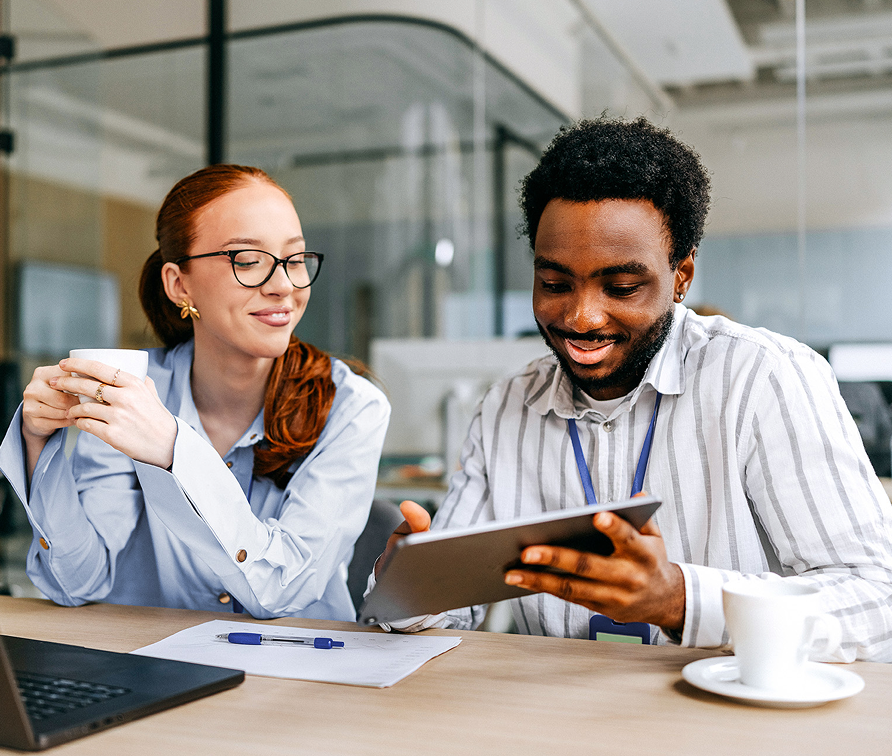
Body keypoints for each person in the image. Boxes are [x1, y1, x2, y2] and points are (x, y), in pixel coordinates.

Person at [374, 118, 892, 661]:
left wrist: (681, 600)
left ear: (682, 276)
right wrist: (411, 586)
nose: (581, 316)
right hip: (555, 721)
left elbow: (876, 598)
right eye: (554, 284)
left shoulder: (764, 378)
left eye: (621, 287)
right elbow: (447, 604)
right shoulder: (506, 405)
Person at [0, 164, 390, 621]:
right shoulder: (132, 391)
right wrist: (38, 447)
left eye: (295, 259)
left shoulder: (351, 407)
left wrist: (172, 451)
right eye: (248, 259)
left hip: (299, 678)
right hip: (160, 672)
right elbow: (78, 582)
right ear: (180, 284)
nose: (284, 286)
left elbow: (283, 590)